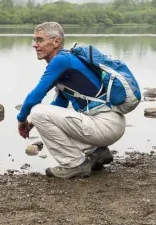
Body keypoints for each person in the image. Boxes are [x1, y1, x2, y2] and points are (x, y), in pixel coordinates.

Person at [17, 22, 126, 179]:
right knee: (43, 115)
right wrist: (34, 123)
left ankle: (75, 165)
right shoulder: (66, 62)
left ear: (56, 42)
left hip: (105, 125)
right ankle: (98, 152)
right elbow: (59, 105)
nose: (35, 45)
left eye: (40, 40)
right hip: (110, 123)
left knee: (36, 111)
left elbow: (35, 97)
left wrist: (22, 119)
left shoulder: (61, 61)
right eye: (34, 40)